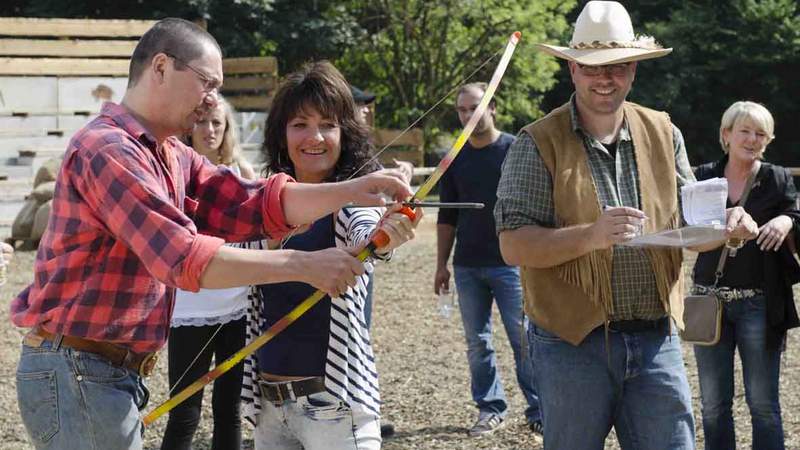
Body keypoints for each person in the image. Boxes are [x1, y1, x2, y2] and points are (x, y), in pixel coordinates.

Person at [11, 19, 412, 450]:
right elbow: (182, 257)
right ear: (161, 67)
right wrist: (305, 265)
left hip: (100, 371)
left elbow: (251, 202)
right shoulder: (110, 150)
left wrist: (356, 189)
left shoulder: (169, 152)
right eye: (207, 83)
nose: (211, 102)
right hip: (79, 369)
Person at [494, 2, 758, 449]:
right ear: (572, 70)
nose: (605, 78)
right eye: (593, 67)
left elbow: (696, 222)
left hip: (657, 339)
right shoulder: (536, 142)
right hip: (569, 344)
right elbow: (513, 246)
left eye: (617, 66)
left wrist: (729, 224)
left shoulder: (663, 131)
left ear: (633, 70)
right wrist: (591, 236)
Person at [241, 61, 421, 450]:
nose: (315, 137)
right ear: (281, 134)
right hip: (270, 410)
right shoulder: (264, 201)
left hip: (334, 407)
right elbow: (235, 256)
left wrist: (384, 235)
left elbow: (365, 239)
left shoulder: (354, 200)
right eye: (300, 124)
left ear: (345, 132)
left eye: (328, 124)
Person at [434, 82, 541, 438]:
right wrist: (440, 264)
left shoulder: (514, 149)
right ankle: (490, 408)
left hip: (509, 263)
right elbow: (446, 217)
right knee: (477, 342)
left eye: (474, 107)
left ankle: (539, 408)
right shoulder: (455, 156)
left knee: (522, 337)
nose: (468, 115)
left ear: (492, 106)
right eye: (462, 110)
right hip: (467, 264)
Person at [692, 101, 800, 450]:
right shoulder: (703, 175)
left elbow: (796, 213)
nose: (752, 139)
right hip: (708, 301)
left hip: (760, 302)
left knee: (764, 405)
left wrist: (787, 220)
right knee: (712, 406)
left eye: (760, 133)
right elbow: (684, 225)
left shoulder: (777, 177)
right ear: (726, 134)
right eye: (745, 131)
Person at [160, 98, 255, 450]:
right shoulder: (174, 172)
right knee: (184, 412)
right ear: (189, 127)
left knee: (229, 409)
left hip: (237, 303)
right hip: (191, 306)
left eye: (217, 123)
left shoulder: (243, 172)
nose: (210, 130)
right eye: (202, 123)